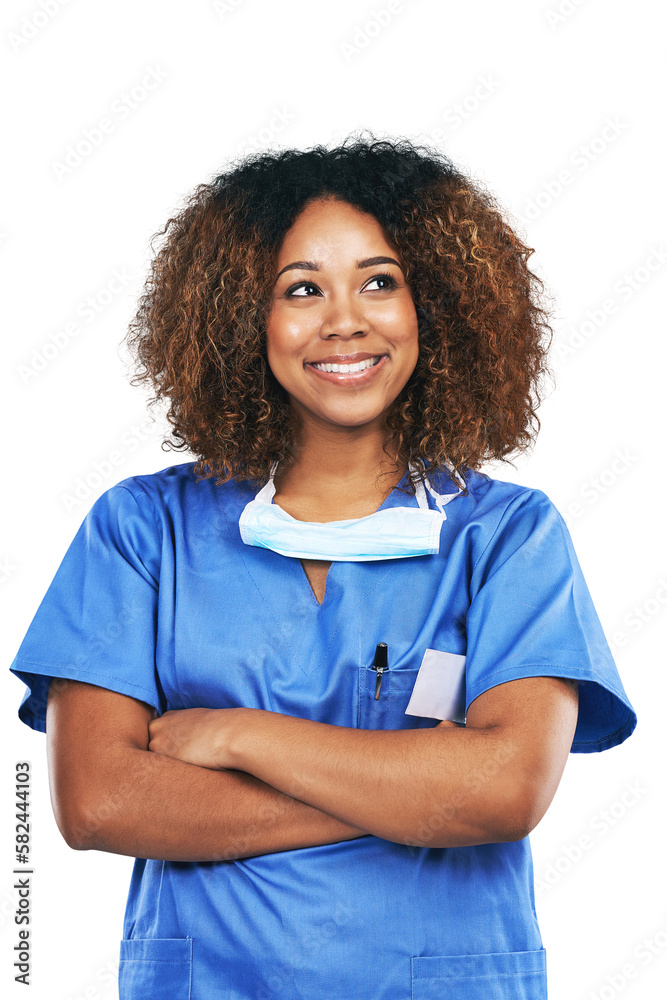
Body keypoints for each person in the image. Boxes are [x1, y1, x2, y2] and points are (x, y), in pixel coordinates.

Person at [10, 134, 637, 1000]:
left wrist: (240, 737)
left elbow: (501, 793)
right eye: (300, 289)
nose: (345, 319)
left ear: (440, 308)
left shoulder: (506, 537)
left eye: (381, 282)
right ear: (240, 318)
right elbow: (101, 803)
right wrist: (412, 794)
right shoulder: (142, 528)